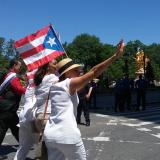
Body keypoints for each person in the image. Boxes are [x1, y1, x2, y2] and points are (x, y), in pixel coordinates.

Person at [43, 40, 124, 160]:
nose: (79, 72)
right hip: (67, 134)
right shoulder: (68, 84)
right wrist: (115, 56)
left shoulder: (54, 85)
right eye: (75, 70)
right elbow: (94, 71)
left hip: (50, 135)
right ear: (67, 73)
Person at [14, 60, 59, 160]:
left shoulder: (36, 82)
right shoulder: (53, 78)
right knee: (48, 148)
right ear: (47, 67)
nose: (57, 65)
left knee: (28, 146)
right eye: (55, 63)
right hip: (41, 117)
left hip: (31, 118)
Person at [0, 59, 26, 158]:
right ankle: (24, 145)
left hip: (7, 107)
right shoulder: (13, 77)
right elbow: (19, 89)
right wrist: (30, 91)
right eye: (19, 66)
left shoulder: (7, 75)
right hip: (7, 108)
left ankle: (24, 145)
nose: (20, 68)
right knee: (2, 129)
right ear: (14, 65)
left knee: (15, 127)